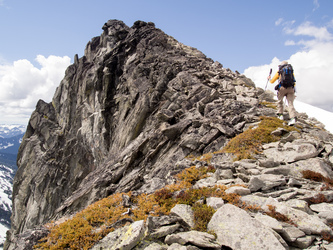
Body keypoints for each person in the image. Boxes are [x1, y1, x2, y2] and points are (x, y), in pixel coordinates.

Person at [268, 61, 297, 126]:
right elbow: (294, 82)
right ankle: (292, 118)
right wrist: (294, 92)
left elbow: (272, 81)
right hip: (291, 89)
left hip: (282, 88)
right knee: (290, 104)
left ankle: (280, 115)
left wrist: (269, 79)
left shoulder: (280, 71)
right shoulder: (291, 71)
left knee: (280, 101)